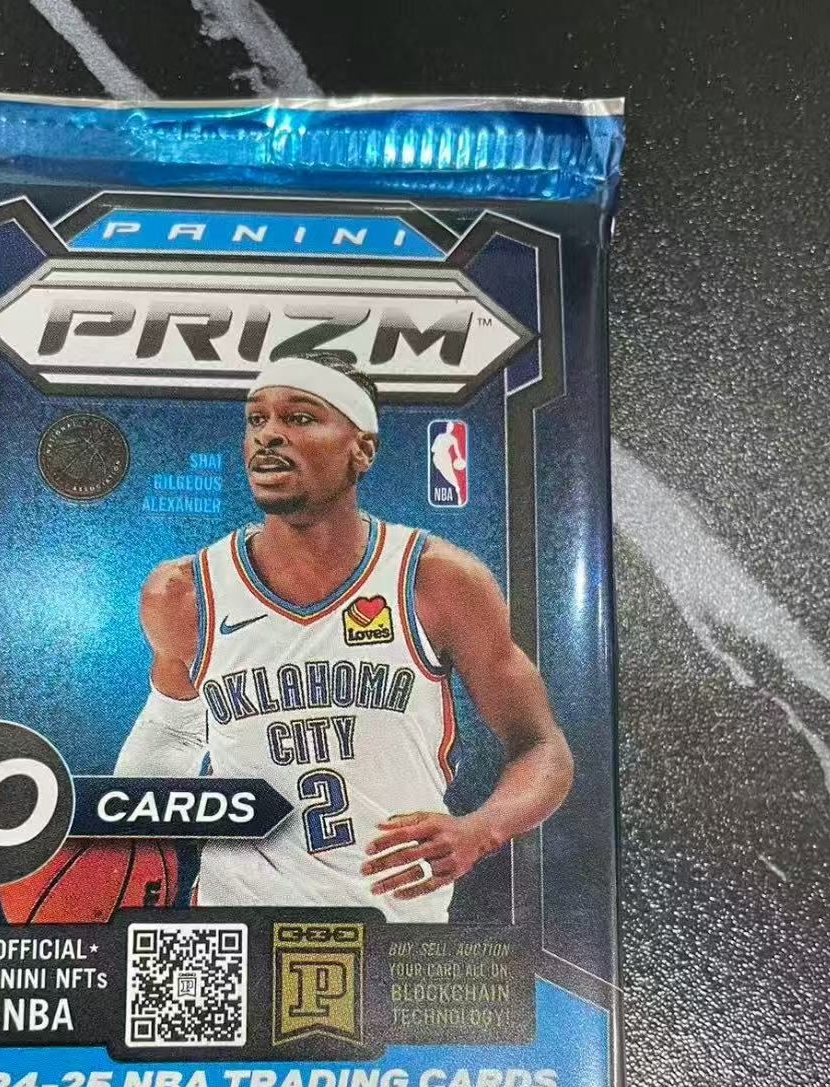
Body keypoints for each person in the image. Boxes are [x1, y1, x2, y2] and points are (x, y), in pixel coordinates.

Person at [116, 353, 573, 922]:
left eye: (300, 418)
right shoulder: (184, 592)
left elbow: (543, 748)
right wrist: (122, 857)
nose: (269, 435)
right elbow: (171, 736)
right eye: (257, 419)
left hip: (396, 933)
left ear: (362, 450)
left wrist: (479, 830)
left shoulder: (436, 580)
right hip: (237, 928)